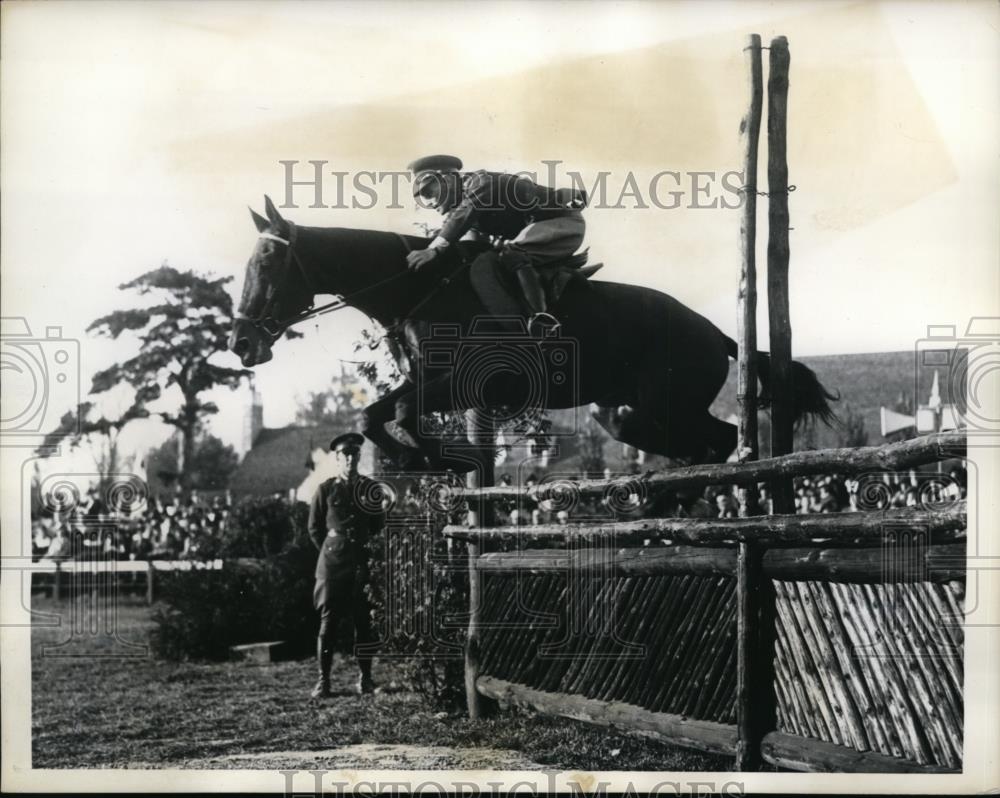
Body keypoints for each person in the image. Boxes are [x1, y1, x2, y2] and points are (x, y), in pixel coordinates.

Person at [404, 155, 587, 335]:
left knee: (510, 253)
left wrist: (433, 249)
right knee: (486, 261)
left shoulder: (479, 182)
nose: (427, 202)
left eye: (428, 192)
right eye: (422, 197)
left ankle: (541, 321)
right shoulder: (464, 208)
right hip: (537, 228)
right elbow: (472, 243)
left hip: (561, 222)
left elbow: (464, 215)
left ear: (447, 179)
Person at [308, 432, 384, 699]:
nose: (351, 459)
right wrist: (332, 549)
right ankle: (324, 681)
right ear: (337, 458)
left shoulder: (370, 489)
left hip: (360, 561)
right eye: (345, 455)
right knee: (328, 624)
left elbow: (377, 525)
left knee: (363, 623)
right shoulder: (325, 489)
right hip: (331, 564)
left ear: (359, 457)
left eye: (355, 455)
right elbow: (314, 528)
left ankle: (365, 679)